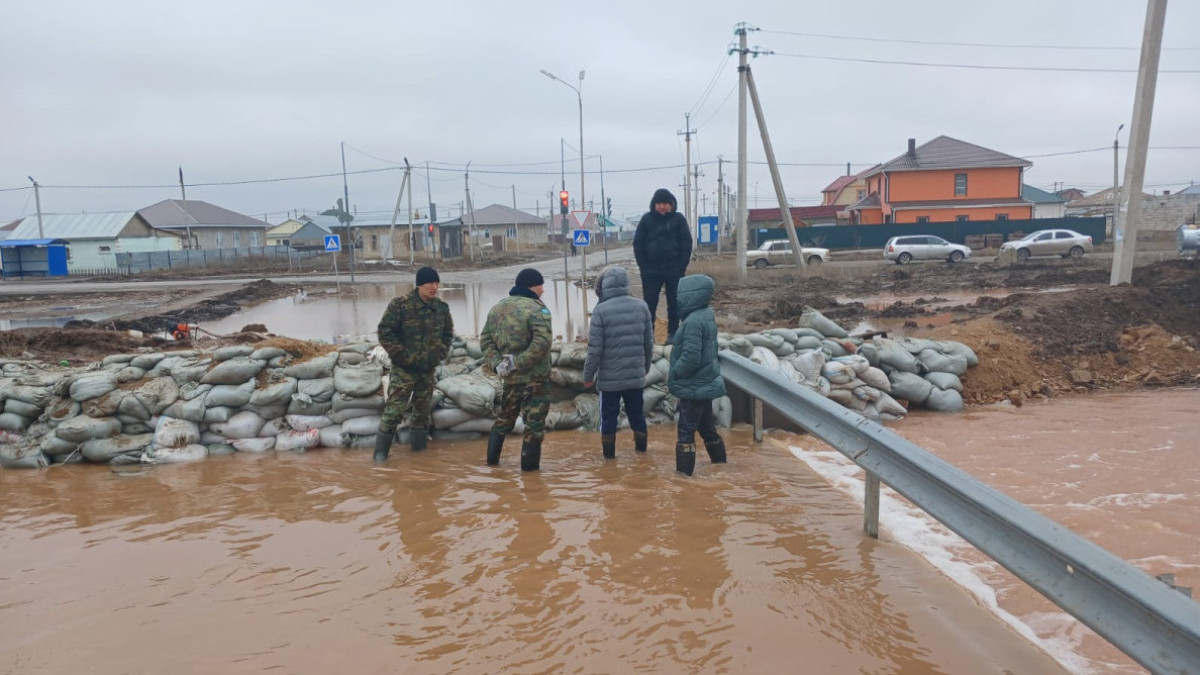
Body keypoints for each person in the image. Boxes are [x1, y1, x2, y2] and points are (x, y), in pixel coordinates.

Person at [374, 266, 454, 463]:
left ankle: (419, 456)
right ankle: (379, 457)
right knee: (393, 412)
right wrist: (401, 355)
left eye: (436, 283)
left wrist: (439, 354)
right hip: (404, 370)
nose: (434, 287)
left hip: (427, 370)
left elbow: (447, 334)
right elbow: (385, 331)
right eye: (430, 283)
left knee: (421, 413)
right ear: (419, 284)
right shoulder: (401, 306)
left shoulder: (441, 309)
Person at [481, 268, 553, 471]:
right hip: (535, 380)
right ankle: (530, 477)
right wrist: (518, 363)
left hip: (509, 378)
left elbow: (486, 341)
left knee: (504, 419)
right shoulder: (538, 309)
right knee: (534, 425)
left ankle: (492, 464)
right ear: (531, 286)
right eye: (541, 286)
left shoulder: (497, 309)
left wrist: (498, 364)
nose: (543, 290)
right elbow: (542, 344)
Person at [582, 266, 654, 459]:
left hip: (609, 381)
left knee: (608, 419)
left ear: (604, 286)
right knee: (637, 416)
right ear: (626, 283)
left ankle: (609, 461)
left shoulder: (600, 311)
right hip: (635, 378)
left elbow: (594, 350)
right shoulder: (642, 306)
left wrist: (588, 376)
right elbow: (648, 343)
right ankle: (642, 453)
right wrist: (644, 369)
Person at [667, 274, 726, 476]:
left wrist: (676, 370)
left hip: (693, 385)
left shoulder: (692, 322)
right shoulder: (705, 314)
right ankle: (720, 466)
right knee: (707, 427)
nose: (677, 298)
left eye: (679, 294)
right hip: (703, 383)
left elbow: (691, 357)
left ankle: (683, 479)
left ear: (690, 295)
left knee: (686, 431)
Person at [633, 188, 693, 343]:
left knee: (674, 303)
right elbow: (638, 244)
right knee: (649, 304)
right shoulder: (647, 220)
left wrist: (681, 267)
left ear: (671, 205)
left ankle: (673, 335)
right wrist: (643, 267)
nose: (662, 206)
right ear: (654, 205)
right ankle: (649, 336)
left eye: (666, 203)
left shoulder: (678, 219)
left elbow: (686, 243)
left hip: (674, 268)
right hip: (651, 270)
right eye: (659, 203)